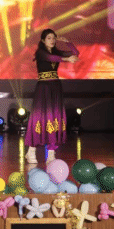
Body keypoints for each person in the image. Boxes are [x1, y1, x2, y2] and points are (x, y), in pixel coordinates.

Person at [25, 29, 78, 164]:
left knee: (55, 117)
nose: (52, 40)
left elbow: (76, 53)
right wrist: (66, 59)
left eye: (54, 38)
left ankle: (51, 154)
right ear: (43, 40)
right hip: (44, 88)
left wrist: (68, 42)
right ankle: (31, 151)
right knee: (40, 118)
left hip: (55, 88)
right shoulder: (40, 52)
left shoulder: (56, 52)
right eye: (49, 38)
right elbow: (51, 58)